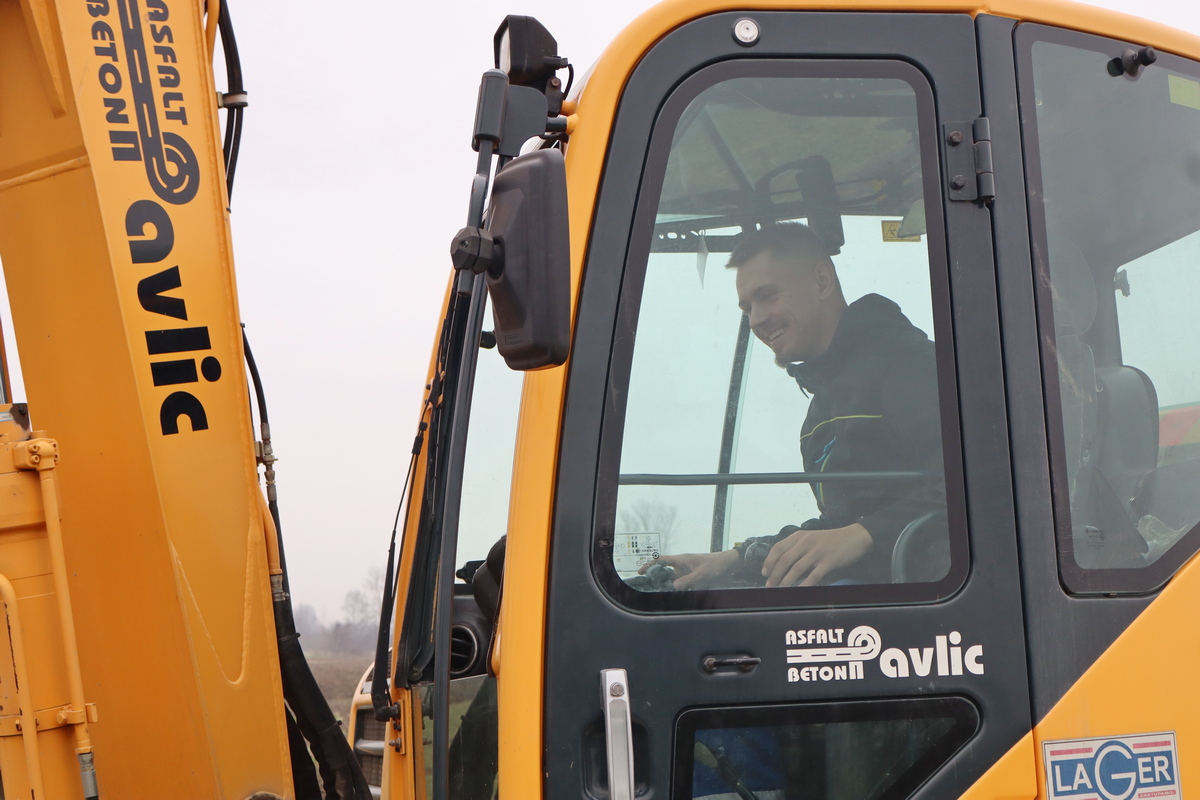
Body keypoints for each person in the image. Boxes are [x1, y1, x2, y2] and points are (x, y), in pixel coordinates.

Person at [649, 222, 945, 588]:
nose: (756, 319)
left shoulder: (911, 367)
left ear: (822, 281)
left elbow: (976, 484)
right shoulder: (821, 411)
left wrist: (866, 534)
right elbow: (838, 529)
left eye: (768, 295)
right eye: (747, 307)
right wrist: (734, 559)